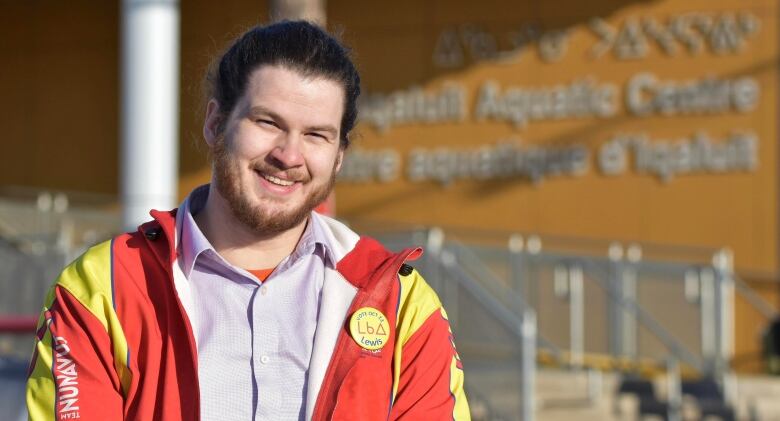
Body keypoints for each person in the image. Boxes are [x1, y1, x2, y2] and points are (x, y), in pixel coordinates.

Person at [26, 21, 470, 421]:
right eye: (267, 122)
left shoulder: (400, 303)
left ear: (338, 158)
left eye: (316, 135)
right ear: (216, 123)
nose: (289, 155)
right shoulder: (103, 290)